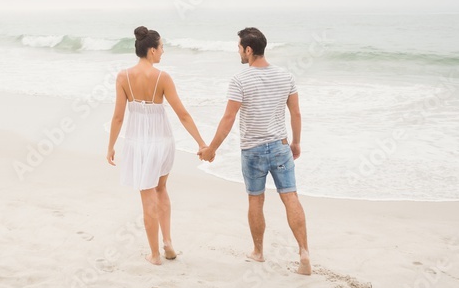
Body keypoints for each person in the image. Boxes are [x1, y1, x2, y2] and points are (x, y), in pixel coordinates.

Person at [198, 27, 311, 275]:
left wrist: (211, 150)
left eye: (239, 47)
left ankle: (258, 252)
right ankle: (303, 253)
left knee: (255, 199)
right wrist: (296, 142)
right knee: (290, 197)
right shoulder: (286, 76)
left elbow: (228, 118)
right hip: (281, 147)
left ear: (249, 50)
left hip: (253, 150)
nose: (238, 51)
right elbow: (296, 113)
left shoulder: (240, 80)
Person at [108, 26, 208, 265]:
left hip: (138, 143)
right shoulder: (163, 78)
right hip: (163, 141)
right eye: (162, 47)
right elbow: (182, 114)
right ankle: (168, 243)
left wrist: (110, 146)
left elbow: (118, 117)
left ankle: (154, 254)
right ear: (152, 50)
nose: (163, 51)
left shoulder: (123, 77)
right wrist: (202, 143)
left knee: (147, 197)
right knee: (161, 189)